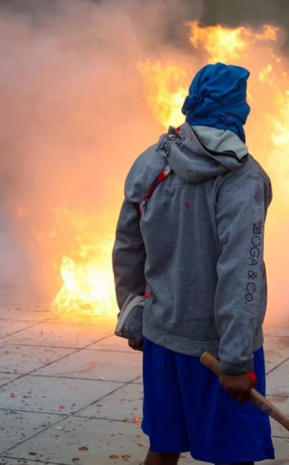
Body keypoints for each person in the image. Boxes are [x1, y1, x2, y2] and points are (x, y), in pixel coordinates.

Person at [112, 63, 274, 465]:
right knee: (234, 458)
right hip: (218, 349)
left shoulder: (152, 162)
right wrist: (236, 360)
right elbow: (242, 270)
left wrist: (134, 317)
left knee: (163, 451)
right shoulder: (242, 176)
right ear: (237, 109)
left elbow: (127, 248)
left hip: (163, 339)